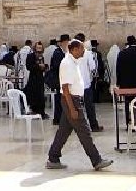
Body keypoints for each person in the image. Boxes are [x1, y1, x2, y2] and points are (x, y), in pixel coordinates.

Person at [46, 39, 113, 171]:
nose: (84, 51)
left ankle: (53, 158)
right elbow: (65, 88)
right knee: (84, 131)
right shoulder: (67, 63)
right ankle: (96, 160)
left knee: (63, 132)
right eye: (82, 49)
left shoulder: (74, 62)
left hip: (73, 99)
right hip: (71, 100)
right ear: (75, 50)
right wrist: (72, 108)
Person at [116, 35, 136, 124]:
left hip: (126, 84)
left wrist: (119, 83)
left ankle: (128, 122)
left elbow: (118, 69)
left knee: (127, 102)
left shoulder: (122, 53)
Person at [74, 33, 102, 132]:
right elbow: (93, 68)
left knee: (75, 106)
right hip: (86, 83)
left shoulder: (70, 53)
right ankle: (94, 126)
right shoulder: (88, 53)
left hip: (74, 84)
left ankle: (77, 127)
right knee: (89, 105)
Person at [47, 35, 70, 125]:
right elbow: (57, 66)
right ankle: (57, 119)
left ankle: (61, 118)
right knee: (59, 99)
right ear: (62, 43)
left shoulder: (63, 52)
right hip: (58, 80)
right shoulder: (58, 53)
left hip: (63, 79)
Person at [24, 41, 48, 118]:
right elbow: (28, 67)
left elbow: (43, 66)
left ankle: (41, 112)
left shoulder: (42, 56)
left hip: (40, 78)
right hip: (33, 79)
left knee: (41, 95)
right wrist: (38, 66)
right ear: (35, 48)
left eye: (40, 48)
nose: (39, 49)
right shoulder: (30, 56)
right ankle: (35, 111)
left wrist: (44, 67)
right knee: (34, 95)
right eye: (38, 47)